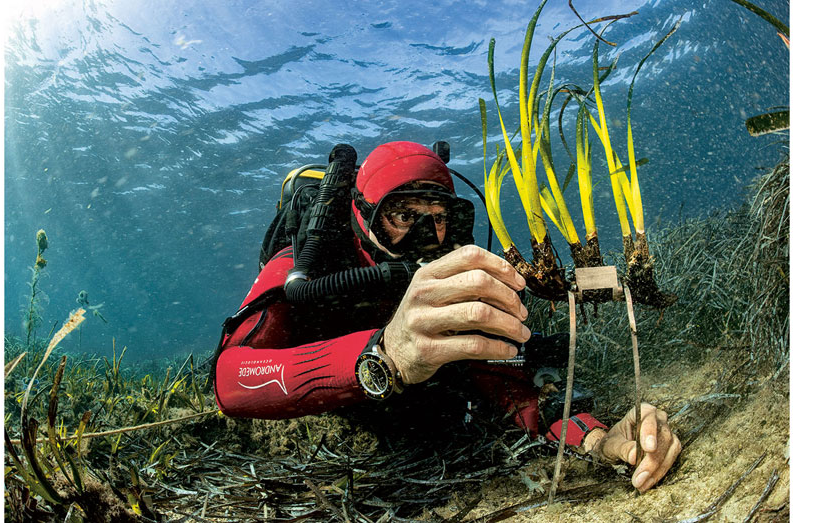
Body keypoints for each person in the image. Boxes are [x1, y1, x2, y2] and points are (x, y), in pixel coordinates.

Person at [212, 141, 681, 492]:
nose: (425, 234)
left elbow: (510, 392)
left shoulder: (452, 276)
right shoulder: (311, 266)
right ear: (362, 215)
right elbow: (230, 380)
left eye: (438, 216)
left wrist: (597, 439)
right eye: (402, 215)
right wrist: (385, 355)